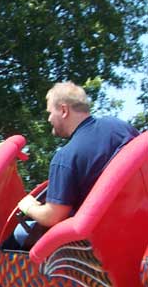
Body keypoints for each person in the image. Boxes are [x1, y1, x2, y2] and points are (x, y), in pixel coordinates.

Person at [11, 81, 139, 249]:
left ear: (64, 110)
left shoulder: (65, 157)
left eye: (50, 112)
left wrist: (29, 207)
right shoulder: (118, 126)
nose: (49, 119)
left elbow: (53, 217)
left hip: (95, 246)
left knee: (17, 237)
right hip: (137, 222)